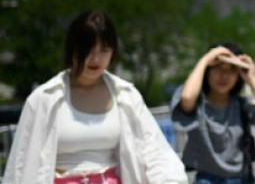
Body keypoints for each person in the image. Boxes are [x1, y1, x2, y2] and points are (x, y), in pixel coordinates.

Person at [1, 10, 187, 184]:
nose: (96, 58)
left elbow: (153, 151)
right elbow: (22, 163)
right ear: (72, 49)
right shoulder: (44, 98)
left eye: (104, 50)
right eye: (88, 50)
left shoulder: (126, 95)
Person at [172, 43, 255, 184]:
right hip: (206, 179)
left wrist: (251, 78)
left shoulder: (242, 105)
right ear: (208, 71)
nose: (224, 75)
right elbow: (187, 98)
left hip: (241, 178)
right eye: (218, 68)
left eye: (232, 70)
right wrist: (206, 59)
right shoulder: (198, 105)